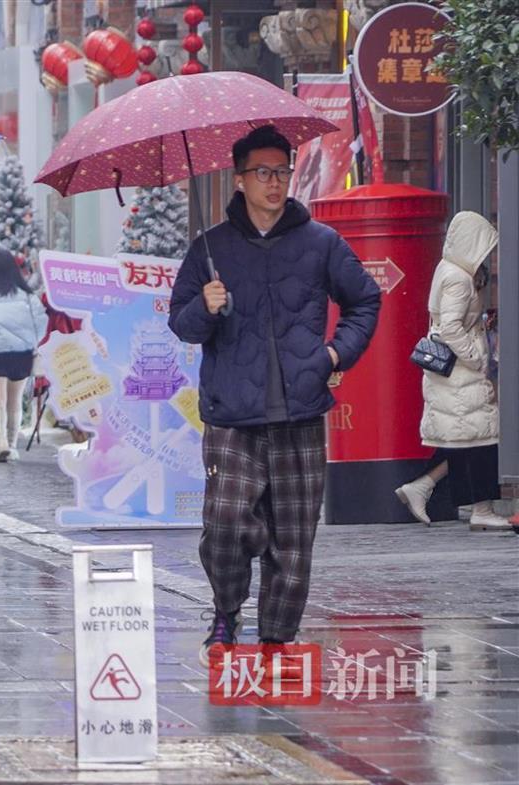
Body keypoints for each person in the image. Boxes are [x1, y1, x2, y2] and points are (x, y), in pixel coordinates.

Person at [167, 126, 380, 664]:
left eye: (282, 171)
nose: (275, 183)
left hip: (300, 409)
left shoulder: (321, 243)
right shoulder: (210, 248)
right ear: (239, 179)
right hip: (231, 413)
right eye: (262, 173)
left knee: (294, 540)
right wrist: (205, 307)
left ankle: (275, 641)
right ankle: (225, 612)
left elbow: (365, 302)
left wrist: (333, 356)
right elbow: (182, 325)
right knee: (225, 523)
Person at [394, 211, 509, 531]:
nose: (488, 253)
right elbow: (451, 327)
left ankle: (422, 486)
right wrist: (476, 358)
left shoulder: (452, 269)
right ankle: (481, 509)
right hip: (460, 370)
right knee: (482, 438)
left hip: (453, 371)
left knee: (467, 437)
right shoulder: (458, 277)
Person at [0, 248, 48, 462]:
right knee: (15, 400)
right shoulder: (26, 295)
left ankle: (1, 441)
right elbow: (41, 321)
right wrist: (33, 342)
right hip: (20, 353)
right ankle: (12, 445)